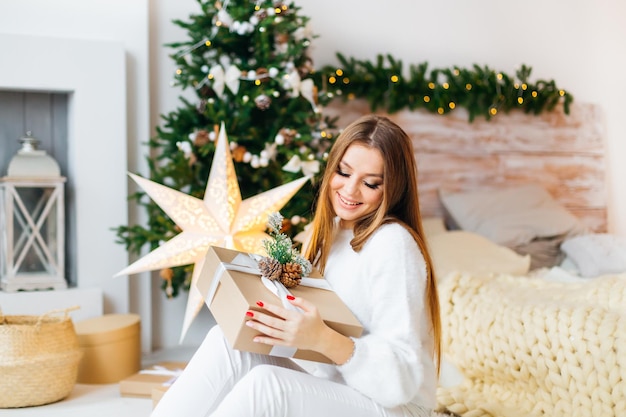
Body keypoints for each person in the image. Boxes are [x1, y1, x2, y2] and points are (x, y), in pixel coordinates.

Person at [151, 114, 443, 417]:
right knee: (225, 341)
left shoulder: (393, 244)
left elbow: (401, 383)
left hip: (396, 408)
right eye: (343, 172)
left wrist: (323, 339)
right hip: (343, 394)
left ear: (392, 190)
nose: (350, 191)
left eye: (370, 183)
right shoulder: (334, 232)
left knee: (268, 385)